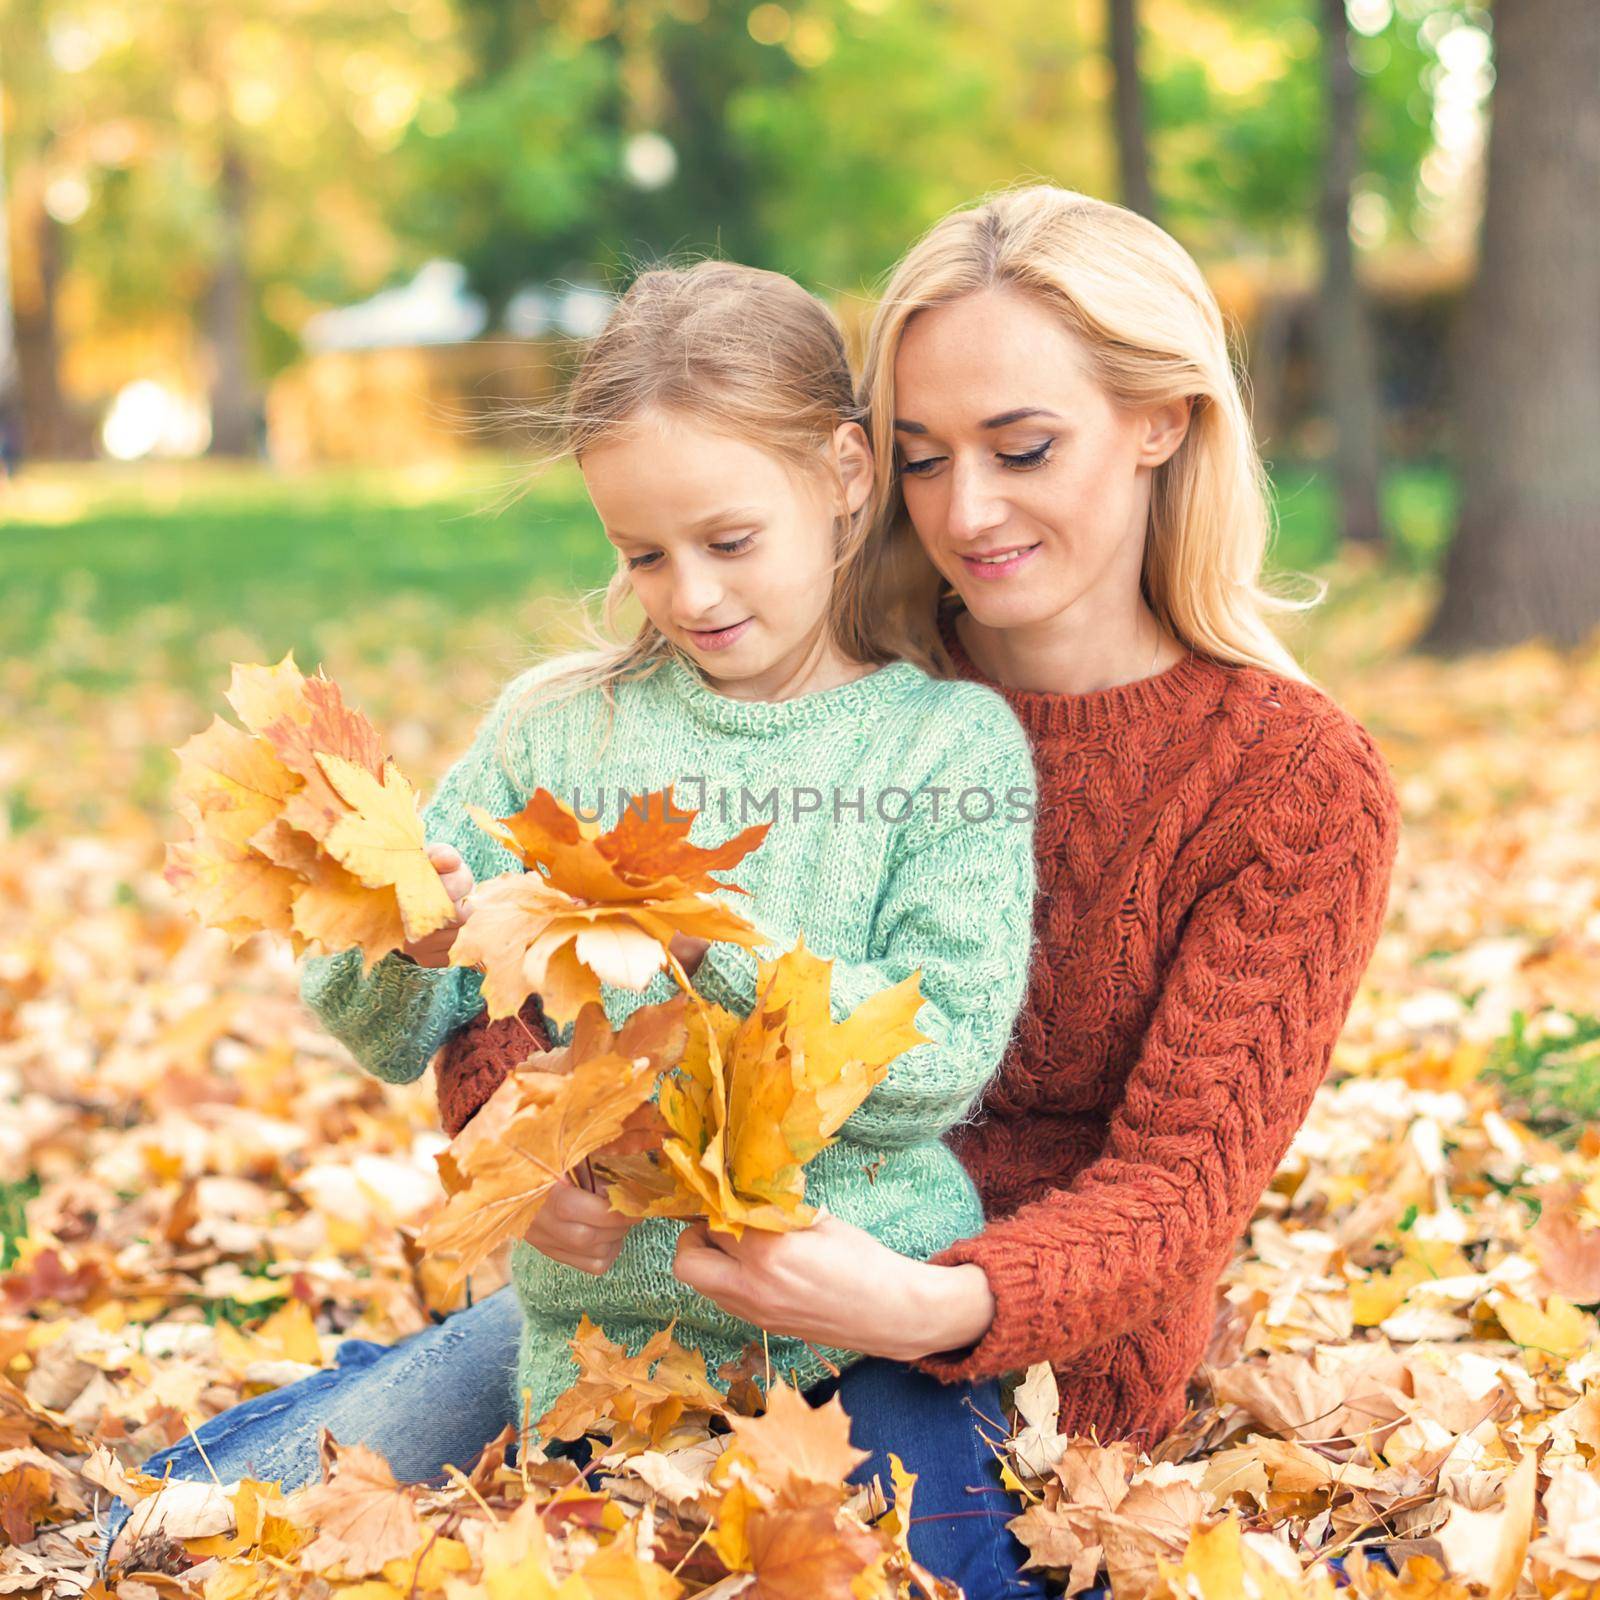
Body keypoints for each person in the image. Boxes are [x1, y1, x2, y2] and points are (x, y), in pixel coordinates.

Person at [440, 184, 1400, 1575]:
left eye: (1021, 448)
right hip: (680, 1295)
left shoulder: (1293, 783)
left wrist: (927, 1306)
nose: (967, 508)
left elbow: (1183, 1183)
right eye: (925, 456)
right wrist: (521, 1140)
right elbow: (551, 919)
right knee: (268, 1485)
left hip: (1011, 1356)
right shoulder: (824, 669)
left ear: (1160, 420)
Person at [101, 260, 1046, 1600]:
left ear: (843, 476)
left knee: (939, 1582)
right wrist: (409, 940)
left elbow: (938, 1056)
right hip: (606, 1346)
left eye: (729, 541)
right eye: (640, 555)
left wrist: (700, 937)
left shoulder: (946, 744)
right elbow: (393, 1030)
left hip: (856, 1337)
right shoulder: (562, 725)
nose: (691, 596)